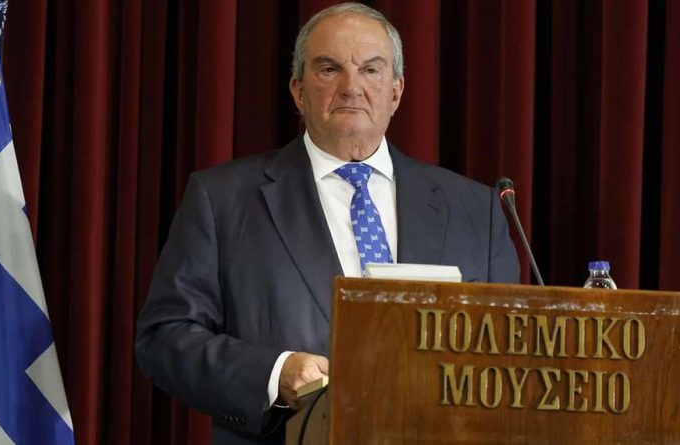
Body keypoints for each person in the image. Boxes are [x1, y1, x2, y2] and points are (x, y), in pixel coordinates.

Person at [135, 3, 520, 444]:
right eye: (329, 69)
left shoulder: (476, 209)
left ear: (396, 92)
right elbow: (165, 337)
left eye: (370, 70)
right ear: (298, 91)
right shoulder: (222, 199)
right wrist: (274, 373)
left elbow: (509, 350)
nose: (351, 87)